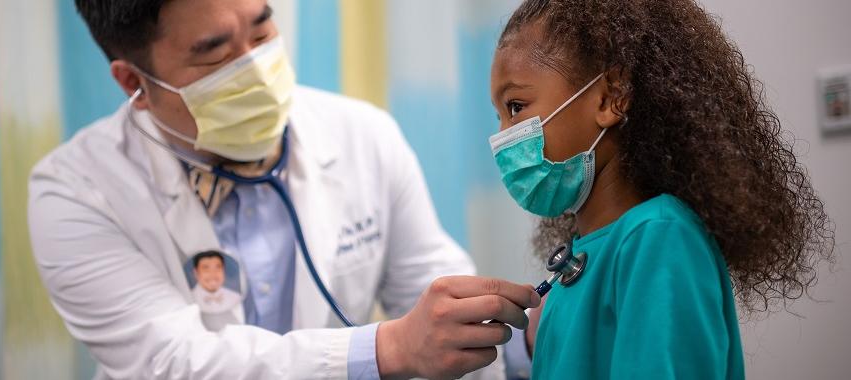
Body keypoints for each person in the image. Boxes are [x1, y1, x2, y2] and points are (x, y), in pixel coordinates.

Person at [28, 0, 540, 379]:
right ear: (132, 84)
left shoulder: (363, 136)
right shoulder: (75, 191)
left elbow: (437, 303)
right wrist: (389, 348)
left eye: (261, 28)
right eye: (213, 54)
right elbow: (172, 362)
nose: (254, 65)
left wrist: (529, 339)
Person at [488, 0, 835, 379]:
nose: (505, 136)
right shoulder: (581, 258)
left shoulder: (660, 238)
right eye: (500, 115)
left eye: (517, 106)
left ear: (610, 97)